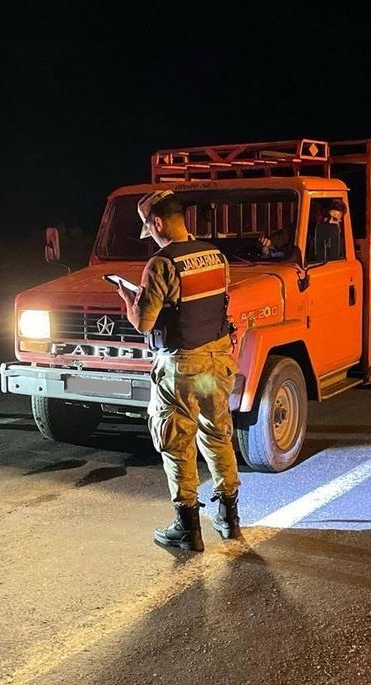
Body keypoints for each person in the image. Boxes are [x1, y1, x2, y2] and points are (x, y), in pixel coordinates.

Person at [115, 190, 242, 551]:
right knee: (218, 434)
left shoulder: (161, 264)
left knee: (176, 440)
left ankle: (187, 528)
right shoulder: (215, 256)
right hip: (218, 359)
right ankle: (229, 519)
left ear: (156, 223)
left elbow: (144, 322)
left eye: (150, 229)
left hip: (182, 365)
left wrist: (129, 301)